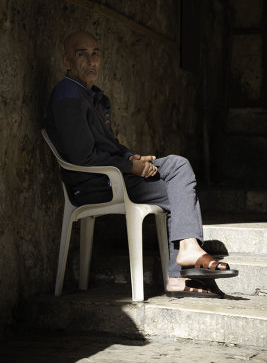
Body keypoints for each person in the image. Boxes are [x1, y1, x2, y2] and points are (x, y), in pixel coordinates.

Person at [46, 30, 238, 297]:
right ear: (67, 60)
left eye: (95, 53)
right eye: (82, 55)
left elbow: (107, 146)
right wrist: (130, 167)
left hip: (114, 175)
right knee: (178, 178)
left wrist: (132, 158)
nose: (91, 61)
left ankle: (185, 254)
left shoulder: (95, 97)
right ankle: (180, 266)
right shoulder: (67, 94)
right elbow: (82, 157)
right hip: (94, 184)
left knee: (177, 170)